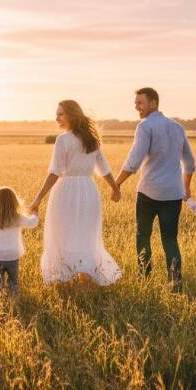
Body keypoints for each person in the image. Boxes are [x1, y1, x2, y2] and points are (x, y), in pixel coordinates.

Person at [29, 100, 122, 286]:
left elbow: (55, 172)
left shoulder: (63, 140)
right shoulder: (91, 139)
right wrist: (114, 187)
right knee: (85, 234)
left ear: (71, 114)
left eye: (60, 114)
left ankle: (68, 279)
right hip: (88, 191)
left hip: (66, 191)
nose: (57, 118)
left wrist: (38, 199)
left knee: (64, 234)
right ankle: (85, 280)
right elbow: (103, 168)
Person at [115, 87, 196, 293]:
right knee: (170, 239)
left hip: (149, 193)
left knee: (143, 235)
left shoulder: (145, 126)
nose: (137, 107)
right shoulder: (177, 127)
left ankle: (144, 278)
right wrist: (186, 188)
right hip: (173, 194)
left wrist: (116, 184)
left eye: (140, 103)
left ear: (153, 103)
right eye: (136, 103)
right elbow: (190, 162)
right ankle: (175, 283)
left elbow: (134, 161)